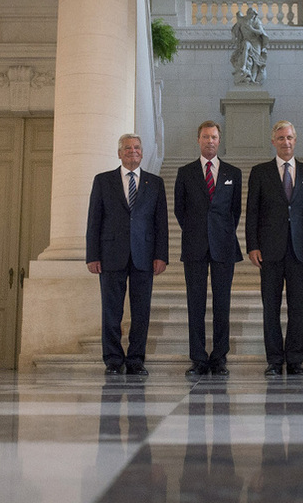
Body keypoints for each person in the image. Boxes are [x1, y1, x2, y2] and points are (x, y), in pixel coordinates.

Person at [86, 134, 169, 376]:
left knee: (141, 311)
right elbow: (94, 220)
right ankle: (113, 359)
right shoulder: (103, 181)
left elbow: (160, 222)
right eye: (127, 148)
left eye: (137, 148)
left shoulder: (155, 183)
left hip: (144, 255)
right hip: (111, 254)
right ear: (119, 153)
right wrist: (92, 255)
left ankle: (135, 359)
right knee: (111, 310)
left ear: (142, 153)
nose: (133, 151)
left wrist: (161, 255)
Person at [245, 120, 303, 376]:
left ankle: (296, 360)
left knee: (297, 306)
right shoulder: (260, 172)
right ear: (273, 141)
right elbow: (252, 212)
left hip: (300, 250)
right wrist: (252, 246)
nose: (285, 142)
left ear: (295, 139)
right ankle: (275, 360)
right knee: (271, 307)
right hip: (270, 250)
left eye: (289, 137)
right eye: (280, 138)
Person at [174, 121, 243, 378]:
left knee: (222, 304)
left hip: (224, 246)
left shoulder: (232, 173)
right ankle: (198, 358)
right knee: (196, 304)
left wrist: (219, 232)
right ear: (198, 140)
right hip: (195, 247)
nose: (210, 141)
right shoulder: (185, 172)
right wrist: (197, 231)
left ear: (219, 139)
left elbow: (234, 211)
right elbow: (180, 211)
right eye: (205, 137)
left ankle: (219, 357)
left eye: (214, 137)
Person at [231, 7, 269, 85]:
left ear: (255, 15)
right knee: (246, 45)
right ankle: (243, 67)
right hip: (247, 40)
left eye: (253, 14)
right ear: (247, 13)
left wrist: (251, 29)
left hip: (256, 43)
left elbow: (260, 31)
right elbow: (235, 29)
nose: (251, 15)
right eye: (250, 13)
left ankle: (253, 80)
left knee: (256, 62)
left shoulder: (256, 21)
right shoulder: (243, 20)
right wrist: (234, 38)